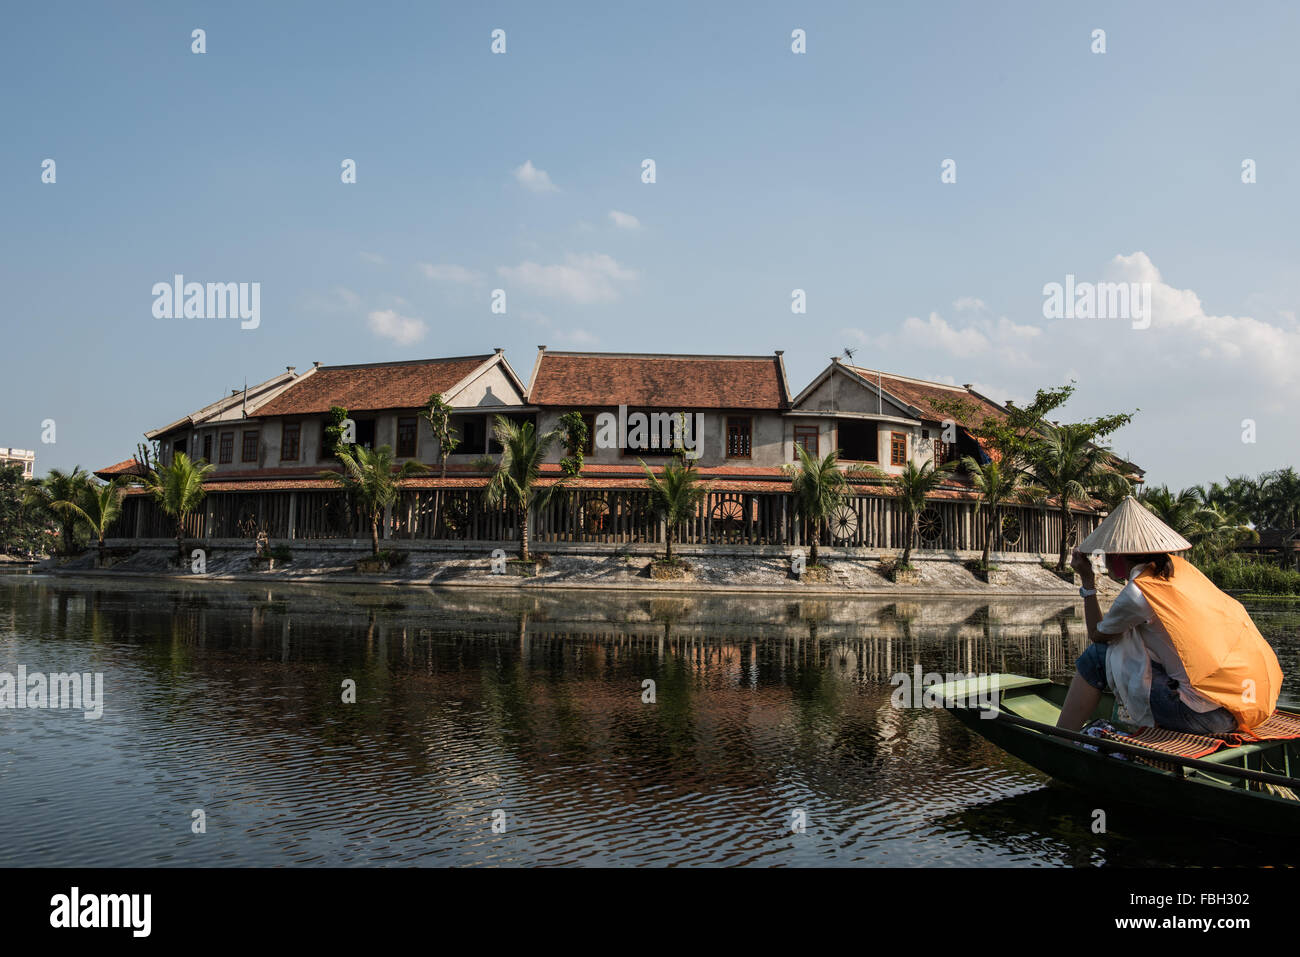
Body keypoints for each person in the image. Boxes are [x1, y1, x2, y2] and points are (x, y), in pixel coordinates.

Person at [1056, 497, 1283, 735]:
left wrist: (1088, 581)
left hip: (1199, 718)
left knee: (1096, 657)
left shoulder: (1138, 593)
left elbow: (1097, 635)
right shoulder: (1182, 572)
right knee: (1139, 653)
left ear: (1118, 557)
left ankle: (1062, 737)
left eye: (1105, 556)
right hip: (1237, 710)